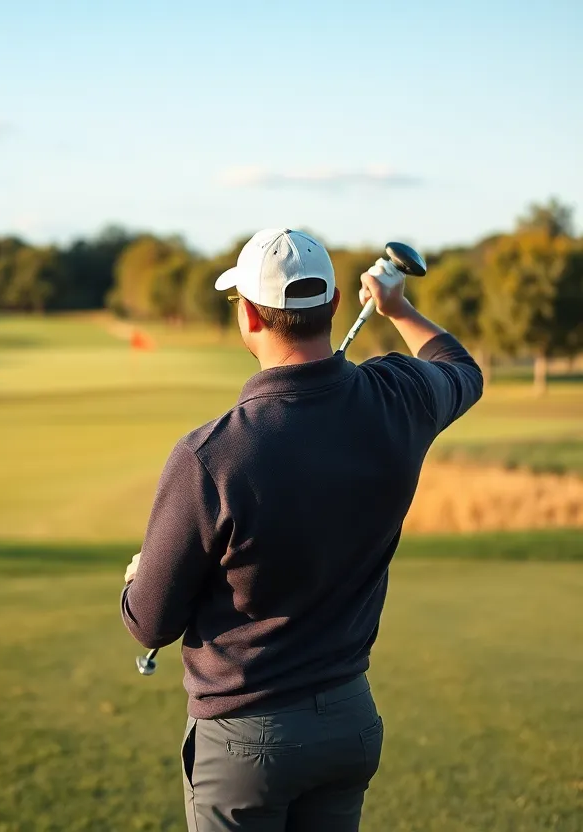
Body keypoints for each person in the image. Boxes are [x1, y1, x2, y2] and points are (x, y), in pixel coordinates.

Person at [120, 229, 484, 832]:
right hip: (349, 718)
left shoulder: (210, 454)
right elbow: (460, 368)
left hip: (244, 741)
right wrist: (399, 310)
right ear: (336, 303)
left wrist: (140, 580)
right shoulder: (398, 396)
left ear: (251, 318)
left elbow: (149, 623)